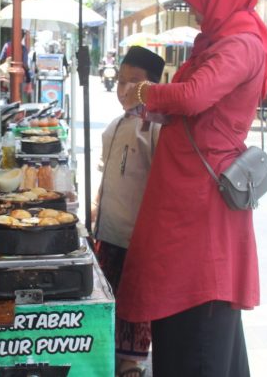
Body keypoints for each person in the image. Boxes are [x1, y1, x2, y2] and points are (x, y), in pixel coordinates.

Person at [116, 0, 267, 376]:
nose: (196, 9)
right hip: (183, 188)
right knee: (178, 312)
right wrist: (149, 104)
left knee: (200, 307)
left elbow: (191, 96)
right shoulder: (213, 43)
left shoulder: (241, 44)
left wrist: (144, 93)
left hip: (203, 198)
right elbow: (185, 105)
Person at [92, 46, 164, 377]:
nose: (124, 89)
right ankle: (111, 355)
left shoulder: (156, 129)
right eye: (120, 80)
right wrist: (96, 206)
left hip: (137, 235)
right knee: (111, 294)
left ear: (152, 85)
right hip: (109, 230)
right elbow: (107, 174)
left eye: (134, 82)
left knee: (135, 301)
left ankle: (132, 363)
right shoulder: (115, 126)